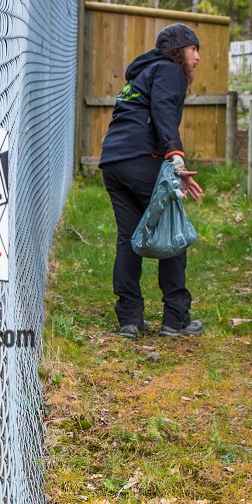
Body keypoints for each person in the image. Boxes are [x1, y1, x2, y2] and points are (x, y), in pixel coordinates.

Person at [99, 23, 206, 338]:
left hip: (113, 162)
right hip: (143, 159)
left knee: (128, 239)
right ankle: (176, 319)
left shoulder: (141, 74)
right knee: (173, 233)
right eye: (193, 49)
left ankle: (130, 319)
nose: (197, 57)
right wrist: (176, 155)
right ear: (179, 50)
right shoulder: (170, 70)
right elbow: (162, 112)